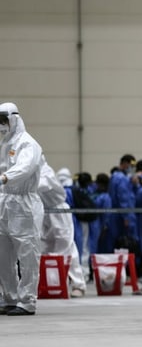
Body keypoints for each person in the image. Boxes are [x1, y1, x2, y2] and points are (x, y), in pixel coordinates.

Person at [0, 102, 44, 316]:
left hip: (23, 203)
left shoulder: (28, 143)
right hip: (4, 201)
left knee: (27, 254)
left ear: (14, 118)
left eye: (3, 120)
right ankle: (9, 298)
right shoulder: (4, 144)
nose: (1, 125)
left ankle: (27, 301)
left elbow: (25, 167)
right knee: (3, 254)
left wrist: (6, 177)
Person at [37, 157, 87, 297]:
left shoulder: (47, 173)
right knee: (45, 248)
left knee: (66, 248)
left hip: (59, 212)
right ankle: (52, 284)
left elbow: (38, 185)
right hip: (45, 213)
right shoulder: (30, 173)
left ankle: (78, 285)